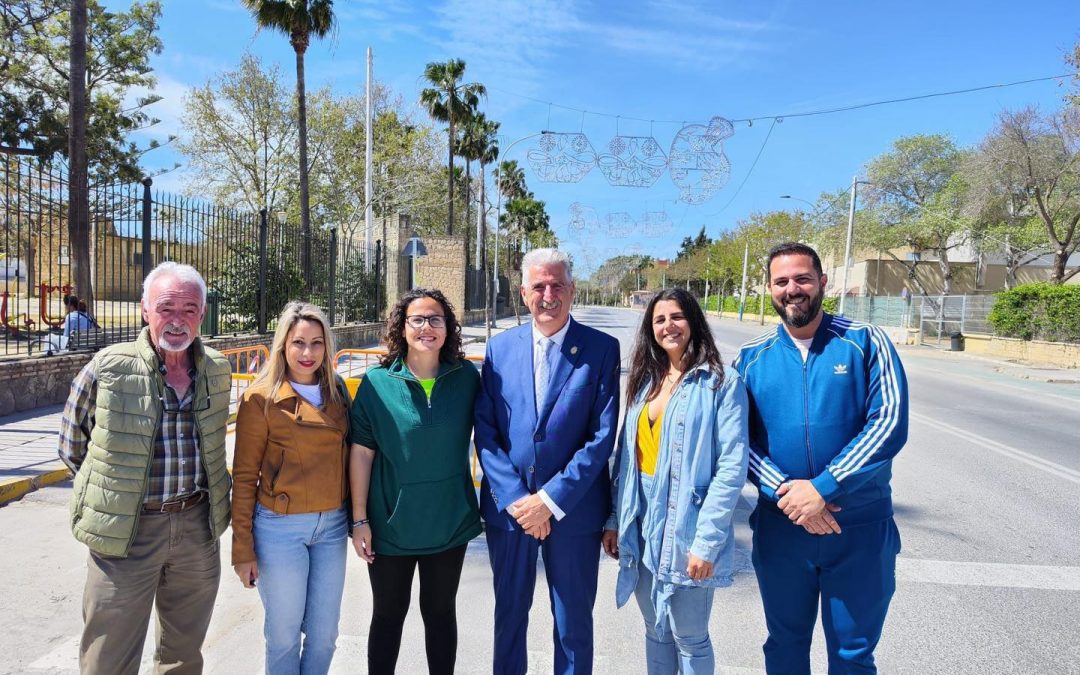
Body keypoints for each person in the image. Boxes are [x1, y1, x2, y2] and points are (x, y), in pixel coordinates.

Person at [734, 242, 909, 674]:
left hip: (858, 530)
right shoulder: (750, 358)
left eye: (802, 279)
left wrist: (823, 488)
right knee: (784, 647)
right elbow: (738, 439)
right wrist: (787, 494)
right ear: (769, 289)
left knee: (853, 655)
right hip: (782, 530)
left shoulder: (866, 342)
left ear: (822, 283)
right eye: (781, 281)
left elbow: (888, 423)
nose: (793, 289)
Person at [57, 262, 232, 675]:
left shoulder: (218, 370)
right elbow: (71, 444)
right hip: (126, 536)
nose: (177, 320)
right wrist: (110, 496)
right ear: (144, 310)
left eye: (189, 309)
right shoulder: (108, 367)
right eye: (166, 308)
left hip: (196, 529)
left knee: (183, 656)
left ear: (202, 315)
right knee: (108, 656)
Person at [474, 248, 621, 675]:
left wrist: (550, 500)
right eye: (539, 286)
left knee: (573, 625)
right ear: (524, 293)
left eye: (557, 285)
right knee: (509, 621)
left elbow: (600, 437)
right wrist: (521, 500)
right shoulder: (499, 349)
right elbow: (486, 430)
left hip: (573, 512)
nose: (548, 294)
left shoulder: (602, 350)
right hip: (512, 513)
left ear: (572, 290)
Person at [602, 288, 749, 674]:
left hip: (688, 524)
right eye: (659, 319)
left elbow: (732, 467)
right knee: (655, 629)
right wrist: (615, 519)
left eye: (677, 317)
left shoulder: (721, 382)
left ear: (693, 321)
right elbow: (626, 460)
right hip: (641, 519)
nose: (669, 326)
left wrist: (707, 542)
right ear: (650, 330)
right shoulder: (645, 381)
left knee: (690, 637)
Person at [349, 288, 482, 675]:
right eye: (417, 320)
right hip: (390, 527)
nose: (427, 327)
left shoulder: (466, 377)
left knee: (440, 615)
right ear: (401, 327)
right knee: (388, 616)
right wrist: (359, 520)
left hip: (448, 521)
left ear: (448, 327)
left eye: (435, 319)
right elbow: (361, 452)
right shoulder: (376, 383)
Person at [232, 302, 350, 674]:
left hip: (332, 526)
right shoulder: (260, 398)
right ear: (283, 344)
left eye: (317, 343)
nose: (308, 353)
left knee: (325, 635)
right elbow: (244, 476)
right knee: (283, 636)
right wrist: (242, 549)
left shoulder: (338, 391)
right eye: (299, 343)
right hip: (279, 528)